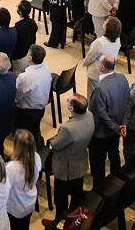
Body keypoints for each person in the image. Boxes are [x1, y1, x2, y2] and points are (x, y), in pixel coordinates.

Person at [44, 95, 94, 227]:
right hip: (80, 162)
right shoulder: (89, 116)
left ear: (72, 108)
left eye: (69, 101)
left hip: (65, 169)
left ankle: (59, 224)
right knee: (77, 196)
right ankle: (73, 222)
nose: (67, 101)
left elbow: (57, 145)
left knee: (61, 200)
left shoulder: (68, 129)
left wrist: (51, 141)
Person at [89, 54, 130, 180]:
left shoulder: (100, 88)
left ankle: (99, 186)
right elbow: (128, 101)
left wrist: (116, 127)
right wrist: (123, 123)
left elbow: (100, 113)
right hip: (117, 128)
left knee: (98, 161)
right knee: (114, 153)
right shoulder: (122, 78)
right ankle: (115, 180)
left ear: (102, 67)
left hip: (101, 132)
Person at [14, 45, 52, 144]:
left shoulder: (25, 77)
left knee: (22, 136)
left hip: (26, 113)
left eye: (28, 53)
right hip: (40, 109)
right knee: (35, 128)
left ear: (30, 58)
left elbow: (17, 97)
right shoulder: (46, 68)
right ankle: (37, 143)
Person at [6, 130, 41, 230]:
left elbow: (3, 188)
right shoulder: (36, 157)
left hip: (16, 209)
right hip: (29, 203)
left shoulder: (12, 167)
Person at [83, 16, 123, 94]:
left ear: (108, 28)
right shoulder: (117, 39)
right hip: (109, 72)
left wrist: (84, 63)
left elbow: (90, 57)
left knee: (92, 95)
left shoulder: (99, 42)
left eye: (105, 22)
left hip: (96, 73)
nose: (104, 22)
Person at [11, 1, 39, 74]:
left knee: (17, 77)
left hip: (19, 58)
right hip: (29, 55)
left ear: (20, 12)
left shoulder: (17, 29)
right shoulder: (32, 22)